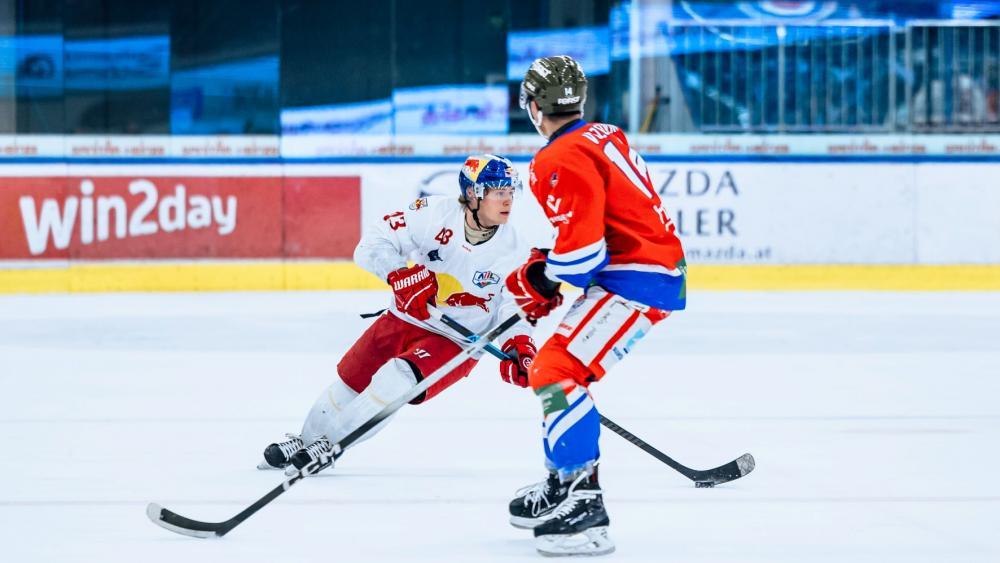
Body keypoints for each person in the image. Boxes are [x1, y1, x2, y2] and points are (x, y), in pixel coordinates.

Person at [504, 56, 687, 556]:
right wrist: (548, 267)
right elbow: (594, 231)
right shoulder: (605, 133)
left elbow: (584, 255)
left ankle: (586, 506)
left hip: (635, 279)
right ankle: (564, 484)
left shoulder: (554, 158)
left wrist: (542, 277)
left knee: (554, 372)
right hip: (644, 270)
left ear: (535, 106)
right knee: (550, 372)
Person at [259, 154, 536, 473]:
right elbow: (372, 243)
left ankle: (332, 444)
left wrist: (520, 344)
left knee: (397, 379)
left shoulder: (515, 249)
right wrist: (398, 274)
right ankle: (307, 440)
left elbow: (513, 305)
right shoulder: (432, 213)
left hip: (456, 342)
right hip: (404, 317)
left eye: (511, 191)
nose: (508, 200)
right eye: (499, 191)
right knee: (349, 382)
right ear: (473, 193)